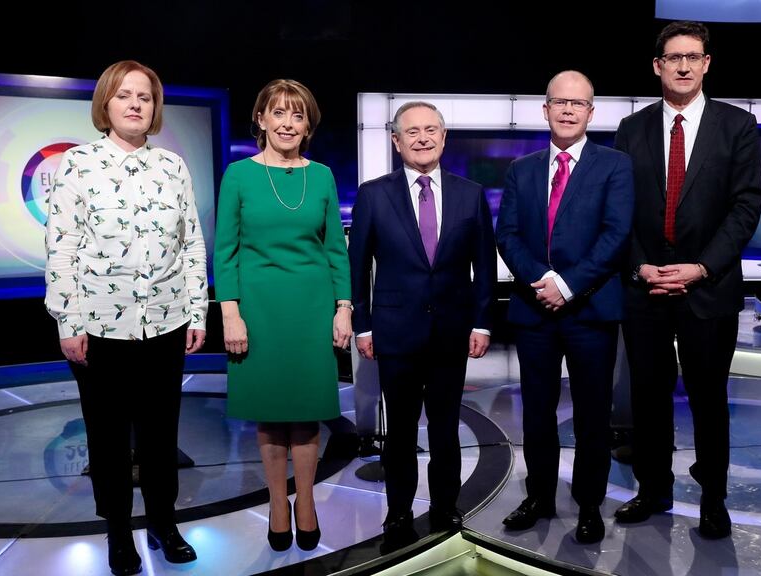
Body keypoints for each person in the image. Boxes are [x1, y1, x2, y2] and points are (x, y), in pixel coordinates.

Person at [45, 60, 207, 576]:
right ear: (106, 105)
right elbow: (61, 247)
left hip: (167, 320)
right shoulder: (76, 165)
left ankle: (163, 521)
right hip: (99, 327)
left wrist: (197, 309)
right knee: (108, 438)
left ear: (155, 107)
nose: (136, 104)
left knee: (162, 434)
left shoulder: (173, 167)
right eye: (124, 96)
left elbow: (191, 244)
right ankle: (118, 530)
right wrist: (67, 321)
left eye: (145, 96)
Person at [612, 21, 761, 539]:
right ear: (657, 65)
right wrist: (640, 267)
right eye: (672, 57)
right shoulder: (630, 130)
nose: (682, 65)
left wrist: (701, 267)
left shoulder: (737, 126)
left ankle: (713, 499)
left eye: (692, 57)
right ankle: (653, 490)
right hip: (646, 288)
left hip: (710, 289)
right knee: (649, 399)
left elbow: (747, 206)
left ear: (706, 63)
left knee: (708, 399)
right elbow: (619, 211)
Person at [496, 71, 634, 544]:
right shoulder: (522, 169)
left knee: (593, 414)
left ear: (591, 112)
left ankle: (590, 504)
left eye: (579, 103)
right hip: (534, 310)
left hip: (590, 311)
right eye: (561, 102)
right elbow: (507, 234)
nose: (570, 110)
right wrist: (542, 281)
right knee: (536, 412)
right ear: (546, 109)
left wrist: (569, 285)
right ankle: (538, 497)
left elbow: (616, 236)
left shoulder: (615, 165)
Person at [349, 101, 496, 544]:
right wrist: (363, 325)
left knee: (446, 430)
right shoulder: (375, 194)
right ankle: (398, 513)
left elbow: (484, 266)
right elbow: (359, 268)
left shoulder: (470, 194)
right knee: (400, 433)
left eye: (431, 129)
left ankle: (447, 508)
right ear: (396, 141)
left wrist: (483, 322)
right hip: (396, 333)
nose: (422, 138)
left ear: (444, 137)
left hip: (452, 332)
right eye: (411, 131)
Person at [214, 79, 351, 552]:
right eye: (279, 113)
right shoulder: (239, 175)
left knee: (307, 414)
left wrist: (344, 307)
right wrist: (230, 313)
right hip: (258, 311)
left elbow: (335, 248)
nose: (288, 123)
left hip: (312, 310)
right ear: (261, 119)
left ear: (308, 125)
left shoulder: (324, 176)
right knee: (270, 417)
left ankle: (306, 503)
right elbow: (225, 251)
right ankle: (278, 503)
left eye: (297, 116)